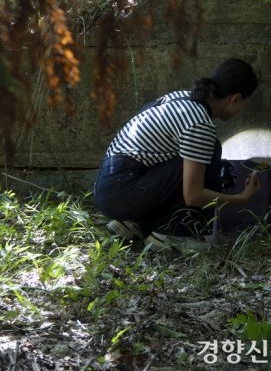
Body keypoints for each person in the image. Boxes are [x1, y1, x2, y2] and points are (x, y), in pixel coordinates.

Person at [94, 58, 262, 251]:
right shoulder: (200, 123)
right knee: (209, 151)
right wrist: (241, 198)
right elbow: (193, 195)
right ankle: (172, 234)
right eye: (245, 104)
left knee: (198, 156)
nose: (242, 110)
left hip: (110, 185)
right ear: (235, 99)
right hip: (122, 191)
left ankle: (135, 223)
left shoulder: (183, 98)